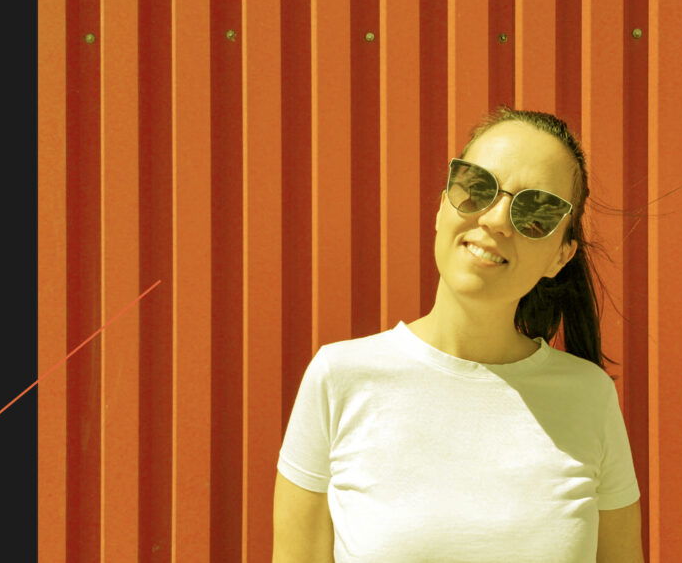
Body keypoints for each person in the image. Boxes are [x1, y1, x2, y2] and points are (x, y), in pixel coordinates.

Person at [273, 107, 643, 562]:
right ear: (441, 204)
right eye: (478, 186)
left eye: (537, 211)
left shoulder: (589, 398)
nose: (497, 220)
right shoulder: (340, 378)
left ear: (560, 257)